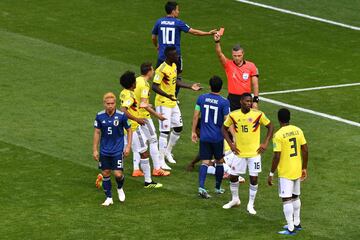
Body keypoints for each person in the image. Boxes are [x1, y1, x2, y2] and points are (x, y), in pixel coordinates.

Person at [222, 93, 274, 214]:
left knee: (254, 179)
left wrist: (265, 142)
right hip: (239, 153)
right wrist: (230, 144)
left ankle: (251, 204)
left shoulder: (258, 114)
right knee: (233, 176)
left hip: (254, 153)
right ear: (241, 101)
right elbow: (223, 128)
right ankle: (235, 199)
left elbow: (271, 126)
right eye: (246, 101)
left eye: (250, 101)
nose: (249, 103)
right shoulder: (233, 115)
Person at [151, 1, 216, 96]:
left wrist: (157, 46)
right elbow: (194, 32)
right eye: (177, 9)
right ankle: (173, 96)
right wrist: (209, 33)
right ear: (173, 11)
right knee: (176, 78)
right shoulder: (178, 23)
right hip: (175, 56)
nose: (178, 11)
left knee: (159, 77)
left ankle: (161, 94)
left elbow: (153, 37)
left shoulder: (159, 22)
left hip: (162, 56)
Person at [152, 46, 202, 166]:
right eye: (175, 55)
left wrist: (190, 86)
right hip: (163, 103)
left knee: (178, 127)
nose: (177, 56)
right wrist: (167, 95)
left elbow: (175, 82)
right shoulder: (161, 69)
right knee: (164, 131)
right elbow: (154, 86)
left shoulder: (174, 66)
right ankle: (160, 160)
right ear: (168, 56)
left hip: (172, 101)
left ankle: (168, 152)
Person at [268, 108, 309, 235]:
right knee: (296, 196)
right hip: (297, 170)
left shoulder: (278, 135)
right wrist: (304, 168)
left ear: (279, 119)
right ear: (289, 118)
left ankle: (291, 228)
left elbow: (277, 156)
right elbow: (305, 150)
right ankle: (297, 223)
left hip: (286, 172)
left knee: (286, 199)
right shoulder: (298, 130)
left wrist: (271, 173)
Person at [120, 71, 163, 189]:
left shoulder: (124, 93)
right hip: (133, 128)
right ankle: (148, 182)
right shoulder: (130, 95)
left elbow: (133, 106)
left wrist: (149, 107)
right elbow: (123, 109)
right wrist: (137, 119)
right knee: (144, 152)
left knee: (123, 152)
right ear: (131, 83)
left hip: (125, 128)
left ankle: (106, 172)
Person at [191, 76, 230, 198]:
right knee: (219, 162)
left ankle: (201, 187)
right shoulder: (224, 102)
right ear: (221, 87)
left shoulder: (201, 98)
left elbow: (196, 116)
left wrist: (193, 131)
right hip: (217, 137)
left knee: (205, 162)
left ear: (210, 86)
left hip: (205, 136)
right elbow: (226, 121)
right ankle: (217, 188)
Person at [92, 92, 132, 206]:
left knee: (118, 174)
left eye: (112, 103)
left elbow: (129, 130)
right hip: (104, 150)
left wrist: (128, 146)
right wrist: (95, 149)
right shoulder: (99, 116)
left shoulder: (121, 116)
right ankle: (109, 198)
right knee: (105, 173)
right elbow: (97, 132)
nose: (110, 105)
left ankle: (120, 187)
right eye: (108, 103)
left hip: (117, 150)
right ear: (104, 104)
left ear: (115, 103)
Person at [133, 62, 171, 176]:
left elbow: (138, 100)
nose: (154, 71)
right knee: (153, 140)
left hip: (134, 114)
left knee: (138, 142)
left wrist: (148, 105)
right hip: (143, 117)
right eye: (152, 69)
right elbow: (143, 104)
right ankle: (157, 169)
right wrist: (158, 115)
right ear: (149, 71)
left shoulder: (137, 80)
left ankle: (136, 169)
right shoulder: (145, 84)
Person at [214, 33, 259, 111]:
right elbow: (219, 54)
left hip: (246, 99)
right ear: (232, 55)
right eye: (235, 56)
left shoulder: (251, 66)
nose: (237, 58)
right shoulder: (228, 64)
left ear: (243, 54)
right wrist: (217, 42)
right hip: (232, 99)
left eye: (239, 55)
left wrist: (255, 101)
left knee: (247, 121)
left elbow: (255, 84)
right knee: (231, 121)